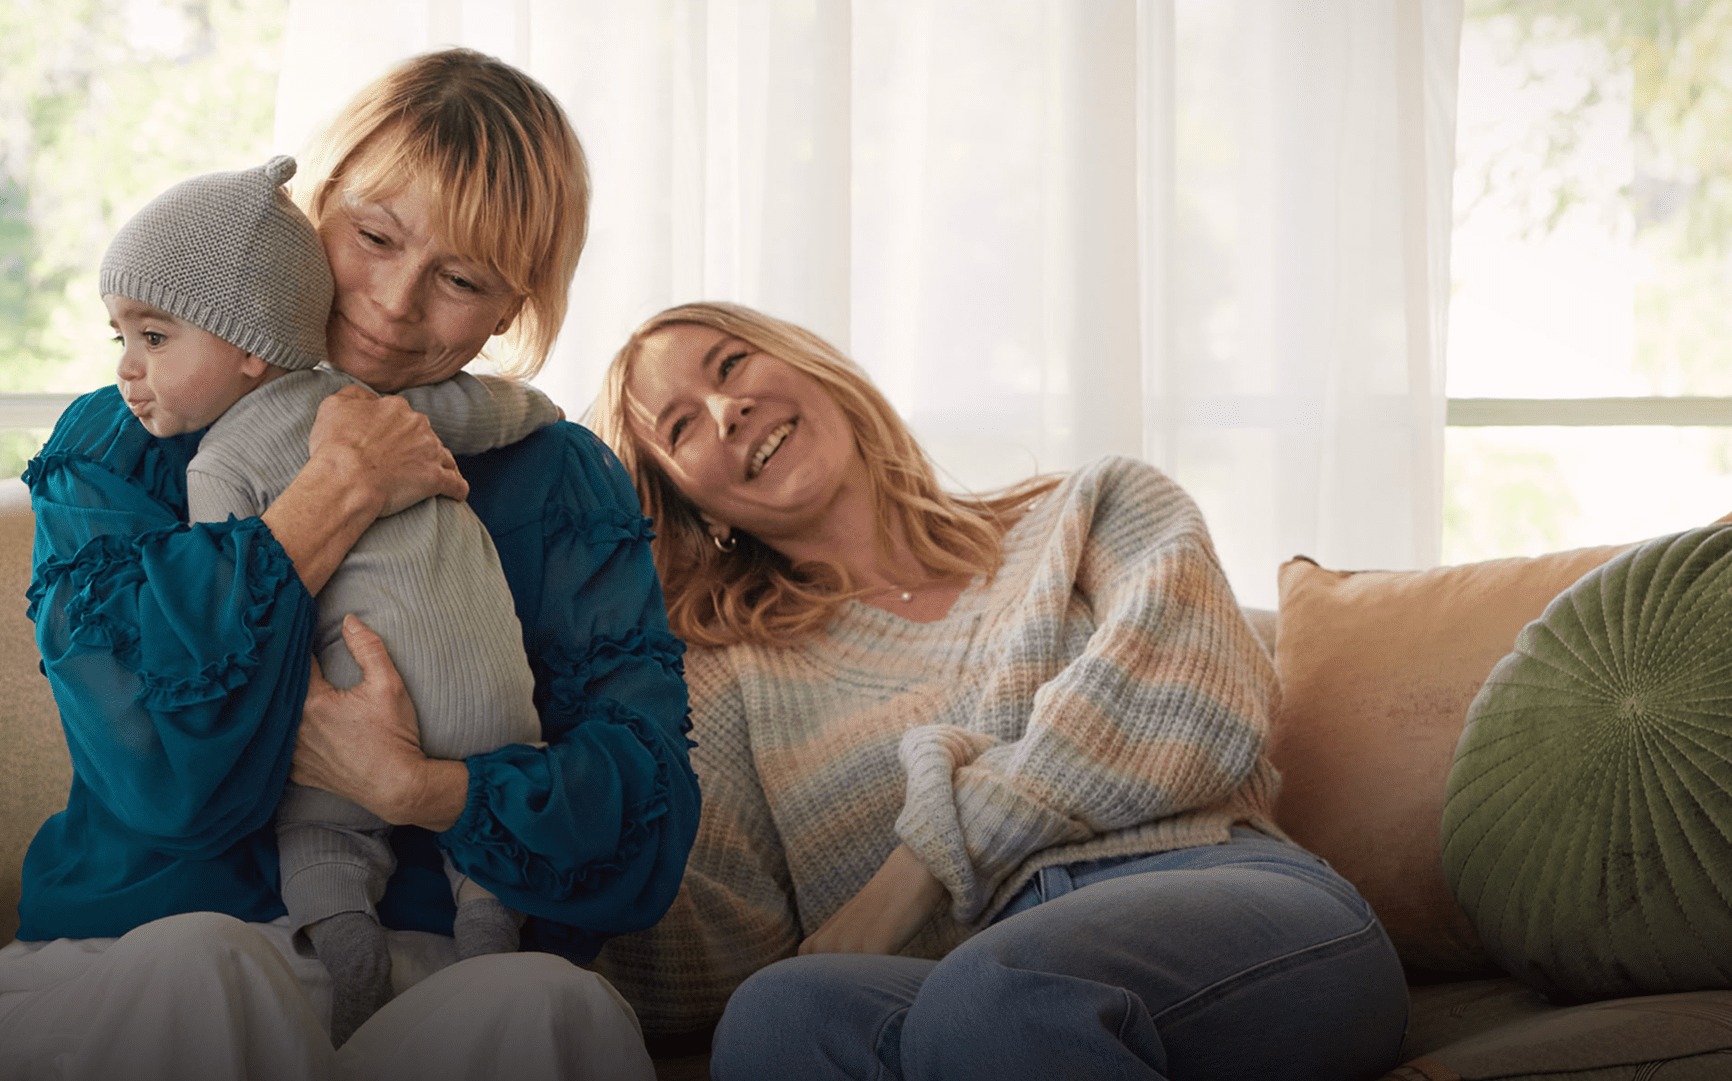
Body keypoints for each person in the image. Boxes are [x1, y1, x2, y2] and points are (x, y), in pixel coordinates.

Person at [0, 49, 699, 1081]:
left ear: (508, 309)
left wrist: (420, 785)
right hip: (143, 956)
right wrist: (333, 491)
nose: (395, 302)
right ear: (313, 209)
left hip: (439, 982)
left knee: (555, 1007)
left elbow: (646, 820)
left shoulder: (556, 476)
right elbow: (156, 776)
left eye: (459, 279)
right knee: (206, 968)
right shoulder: (128, 430)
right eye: (374, 236)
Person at [587, 302, 1409, 1081]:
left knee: (995, 993)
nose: (726, 407)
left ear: (814, 367)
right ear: (688, 502)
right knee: (776, 1017)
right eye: (683, 425)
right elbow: (695, 951)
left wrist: (926, 862)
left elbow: (1195, 705)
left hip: (1226, 895)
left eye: (731, 364)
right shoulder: (729, 681)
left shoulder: (1095, 510)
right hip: (963, 995)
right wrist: (508, 770)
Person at [93, 152, 562, 1043]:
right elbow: (483, 412)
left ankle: (353, 958)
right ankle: (486, 938)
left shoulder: (217, 468)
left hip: (344, 710)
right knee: (495, 795)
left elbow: (228, 612)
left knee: (317, 830)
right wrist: (540, 411)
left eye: (154, 338)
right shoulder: (371, 405)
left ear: (247, 346)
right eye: (119, 338)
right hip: (487, 705)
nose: (128, 368)